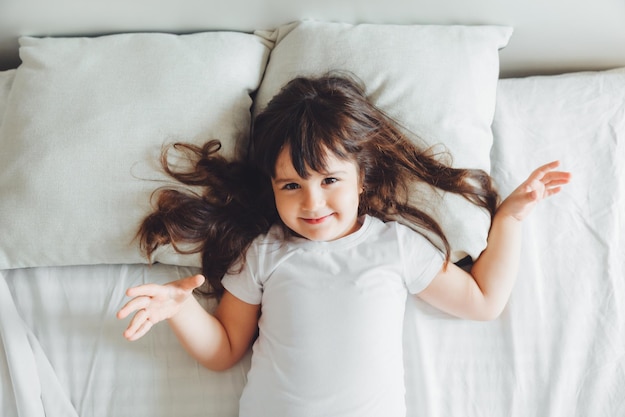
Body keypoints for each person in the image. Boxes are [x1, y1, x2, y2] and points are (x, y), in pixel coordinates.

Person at [117, 74, 571, 417]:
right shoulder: (264, 253)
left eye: (330, 180)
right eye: (291, 186)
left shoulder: (396, 246)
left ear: (362, 178)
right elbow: (225, 350)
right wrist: (181, 309)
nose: (312, 203)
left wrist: (509, 218)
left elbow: (484, 300)